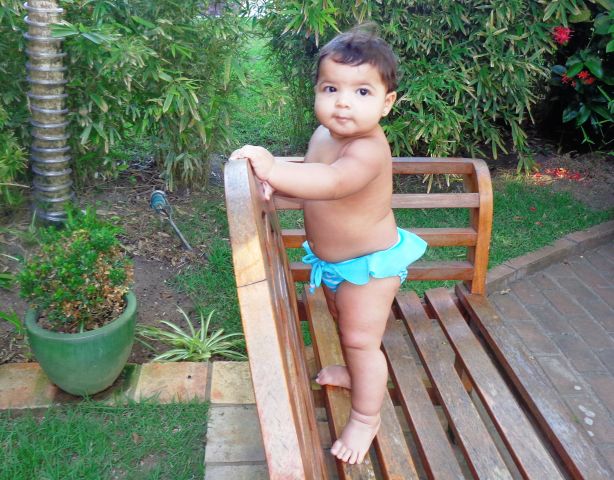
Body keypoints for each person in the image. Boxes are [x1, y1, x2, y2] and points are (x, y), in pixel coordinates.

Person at [230, 25, 427, 465]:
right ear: (317, 91)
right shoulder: (324, 137)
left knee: (359, 340)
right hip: (336, 266)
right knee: (343, 323)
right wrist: (279, 188)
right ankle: (355, 376)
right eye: (331, 88)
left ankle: (365, 416)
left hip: (369, 267)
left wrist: (272, 167)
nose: (342, 102)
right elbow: (313, 183)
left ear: (387, 103)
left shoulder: (367, 149)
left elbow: (334, 182)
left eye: (361, 92)